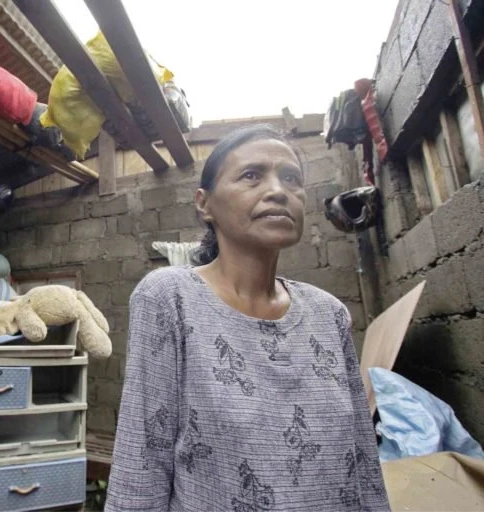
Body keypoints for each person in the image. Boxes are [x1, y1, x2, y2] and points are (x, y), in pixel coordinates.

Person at [105, 125, 389, 511]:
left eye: (291, 178)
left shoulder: (329, 313)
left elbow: (363, 457)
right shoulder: (170, 298)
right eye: (252, 175)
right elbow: (143, 460)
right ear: (204, 204)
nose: (278, 190)